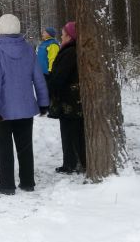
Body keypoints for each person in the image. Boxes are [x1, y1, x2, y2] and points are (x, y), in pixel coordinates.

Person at [0, 14, 49, 195]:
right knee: (25, 145)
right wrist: (43, 102)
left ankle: (6, 184)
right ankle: (27, 181)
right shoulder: (29, 49)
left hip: (3, 110)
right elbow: (38, 77)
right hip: (26, 107)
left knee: (4, 146)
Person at [48, 21, 85, 174]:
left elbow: (60, 76)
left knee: (71, 132)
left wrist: (50, 84)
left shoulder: (69, 52)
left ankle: (73, 163)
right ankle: (72, 162)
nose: (61, 38)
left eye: (63, 35)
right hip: (71, 99)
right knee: (73, 131)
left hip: (69, 100)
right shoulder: (71, 50)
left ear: (69, 36)